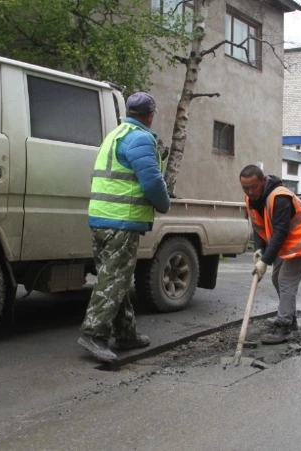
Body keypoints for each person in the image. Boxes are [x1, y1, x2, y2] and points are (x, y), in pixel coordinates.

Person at [78, 92, 171, 363]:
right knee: (114, 278)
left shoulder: (116, 133)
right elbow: (152, 182)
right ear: (150, 115)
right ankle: (93, 333)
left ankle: (125, 333)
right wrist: (164, 204)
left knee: (114, 277)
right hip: (121, 220)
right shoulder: (140, 138)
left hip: (101, 217)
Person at [239, 165, 301, 344]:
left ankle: (284, 327)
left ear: (263, 181)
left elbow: (280, 232)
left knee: (286, 280)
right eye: (245, 188)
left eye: (253, 187)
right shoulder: (252, 200)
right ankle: (289, 319)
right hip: (286, 245)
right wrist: (259, 249)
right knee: (277, 278)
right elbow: (258, 226)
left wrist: (265, 261)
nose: (250, 191)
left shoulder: (280, 197)